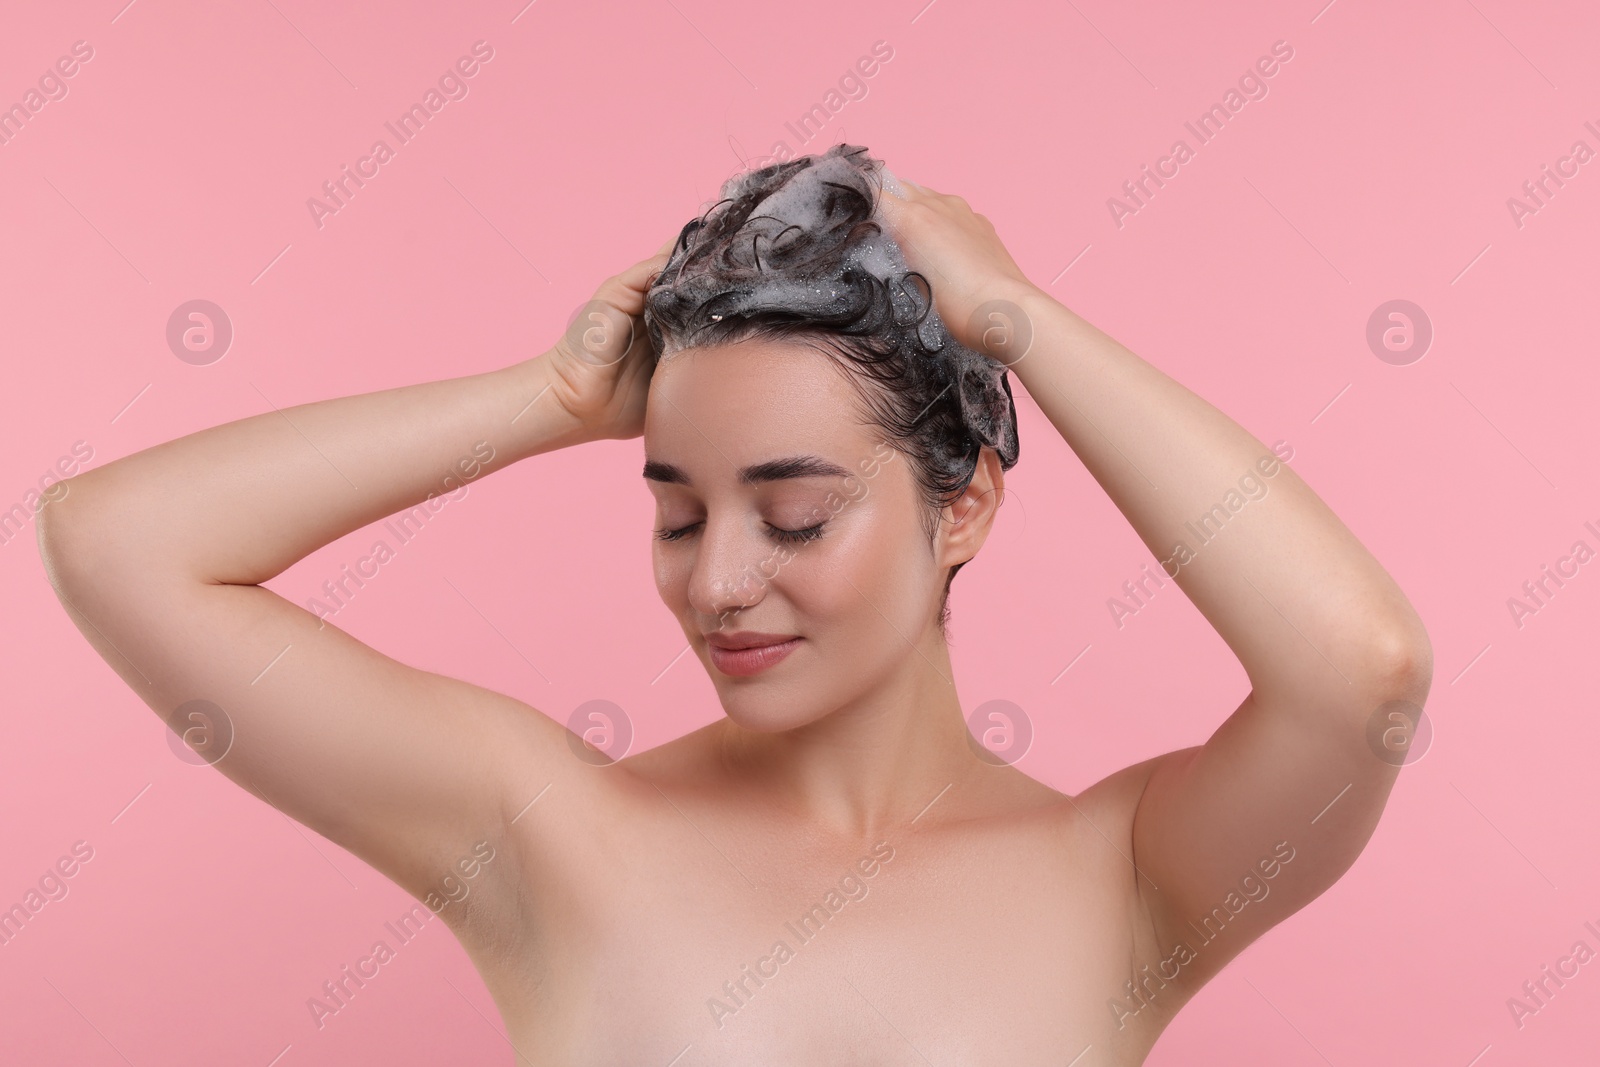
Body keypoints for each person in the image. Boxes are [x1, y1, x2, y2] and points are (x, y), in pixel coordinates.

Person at [38, 143, 1433, 1064]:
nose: (715, 583)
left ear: (965, 507)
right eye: (677, 510)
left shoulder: (1127, 875)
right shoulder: (545, 833)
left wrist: (1017, 321)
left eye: (796, 515)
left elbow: (1362, 673)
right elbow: (117, 543)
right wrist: (547, 400)